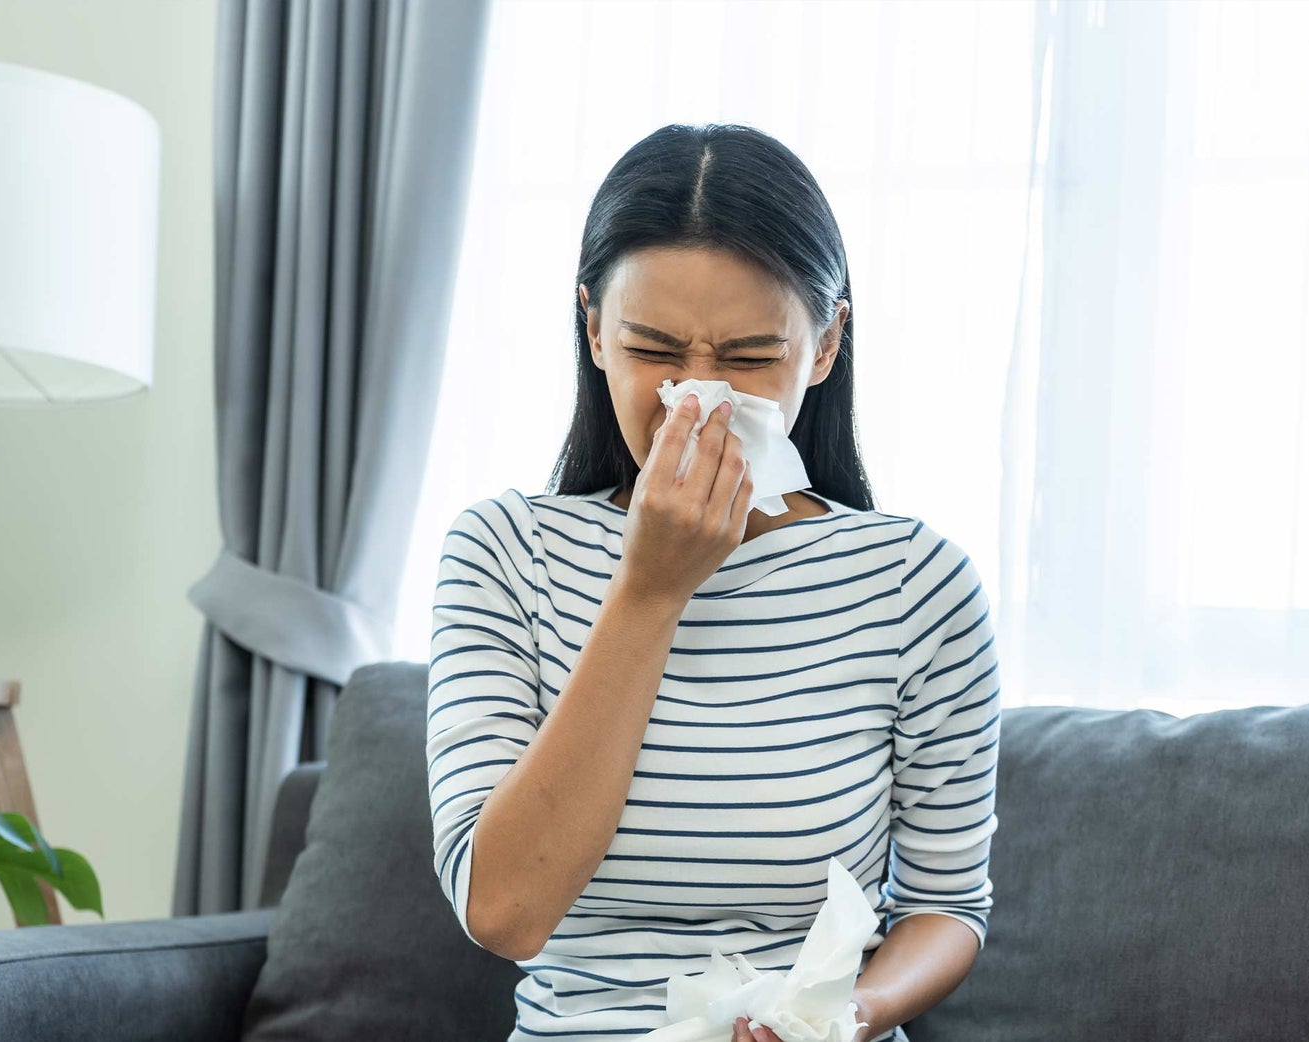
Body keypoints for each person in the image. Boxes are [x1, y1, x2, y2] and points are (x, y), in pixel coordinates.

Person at [426, 123, 1000, 1042]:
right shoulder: (504, 553)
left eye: (746, 360)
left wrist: (848, 1014)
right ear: (593, 331)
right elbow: (504, 911)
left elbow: (947, 907)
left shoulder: (914, 583)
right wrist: (650, 589)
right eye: (653, 348)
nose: (698, 398)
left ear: (824, 344)